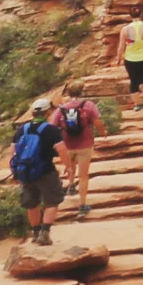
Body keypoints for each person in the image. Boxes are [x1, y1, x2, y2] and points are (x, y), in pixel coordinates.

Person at [10, 99, 65, 244]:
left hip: (26, 172)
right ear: (48, 112)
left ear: (33, 113)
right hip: (46, 171)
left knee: (31, 203)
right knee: (52, 201)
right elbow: (62, 150)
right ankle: (45, 233)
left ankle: (35, 232)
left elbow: (13, 152)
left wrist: (15, 172)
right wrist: (69, 166)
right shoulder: (52, 130)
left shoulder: (21, 129)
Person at [55, 81, 100, 217]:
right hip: (85, 144)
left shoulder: (61, 108)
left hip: (67, 144)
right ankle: (82, 205)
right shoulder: (89, 105)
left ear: (68, 93)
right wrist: (103, 133)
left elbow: (52, 125)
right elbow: (98, 121)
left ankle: (71, 185)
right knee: (83, 176)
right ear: (82, 92)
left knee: (70, 166)